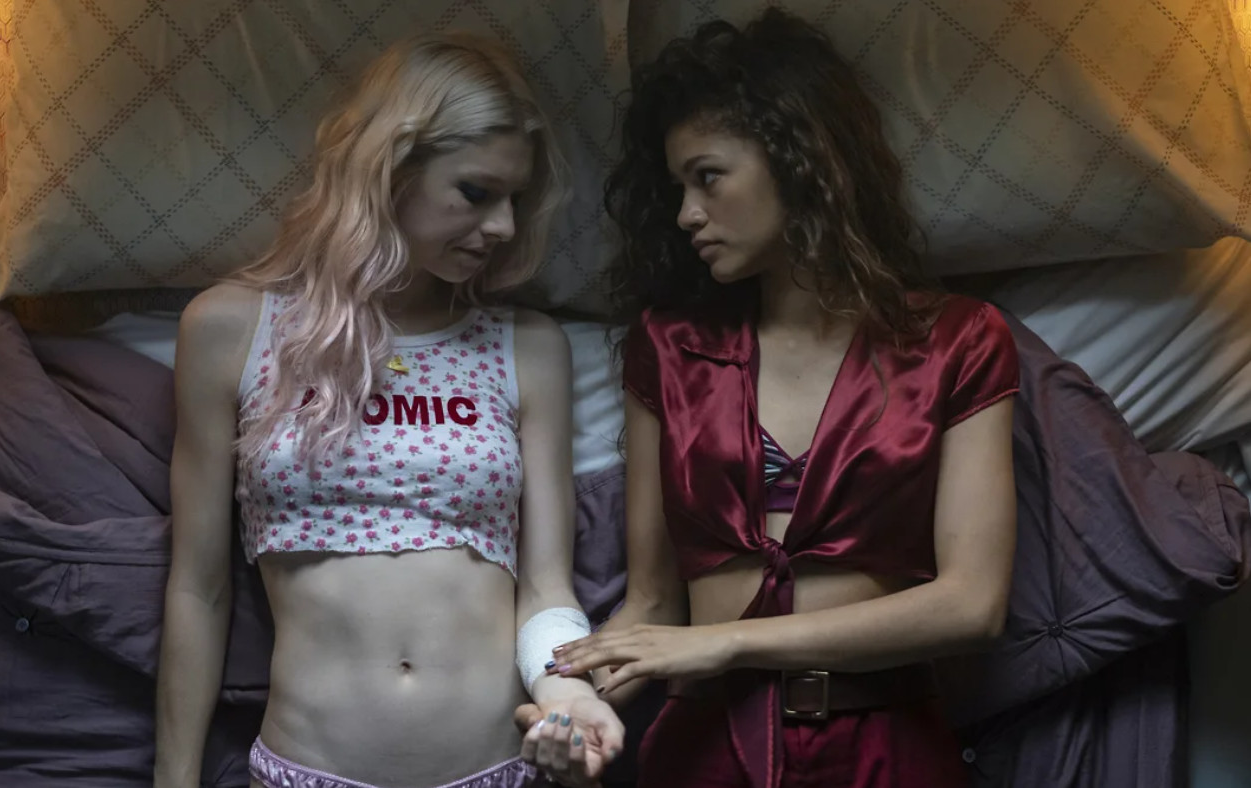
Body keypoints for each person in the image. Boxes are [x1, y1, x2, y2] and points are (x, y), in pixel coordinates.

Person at [522, 8, 1019, 787]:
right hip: (705, 754)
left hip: (886, 751)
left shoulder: (960, 339)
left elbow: (972, 605)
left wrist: (727, 642)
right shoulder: (670, 347)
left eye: (707, 177)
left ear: (799, 158)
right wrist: (574, 705)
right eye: (677, 188)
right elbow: (652, 603)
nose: (686, 214)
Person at [154, 32, 624, 788]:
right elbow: (197, 589)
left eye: (515, 200)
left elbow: (545, 589)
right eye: (476, 193)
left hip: (497, 768)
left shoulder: (527, 347)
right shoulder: (231, 330)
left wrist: (567, 693)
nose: (504, 227)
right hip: (309, 770)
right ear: (392, 171)